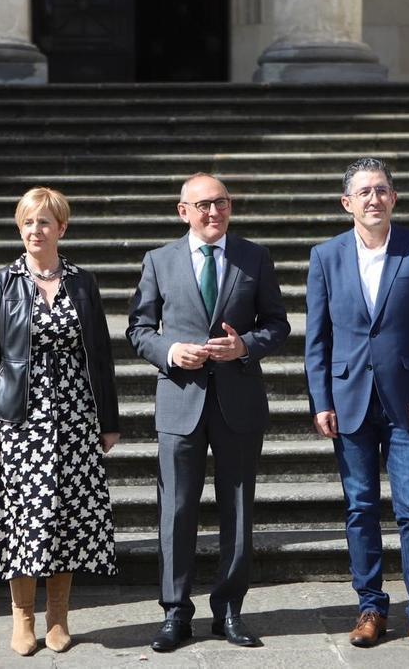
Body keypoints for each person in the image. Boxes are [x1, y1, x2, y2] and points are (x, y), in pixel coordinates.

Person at [126, 173, 290, 652]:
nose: (213, 212)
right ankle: (175, 613)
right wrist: (171, 350)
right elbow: (138, 328)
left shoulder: (254, 257)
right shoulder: (159, 260)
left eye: (220, 203)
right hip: (180, 401)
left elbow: (277, 324)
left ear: (231, 206)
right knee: (176, 510)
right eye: (202, 206)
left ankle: (230, 610)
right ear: (183, 212)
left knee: (237, 509)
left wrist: (245, 346)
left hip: (238, 402)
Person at [304, 158, 409, 662]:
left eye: (382, 190)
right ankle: (371, 608)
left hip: (408, 403)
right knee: (360, 508)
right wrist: (320, 399)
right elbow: (317, 339)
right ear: (347, 203)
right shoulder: (325, 256)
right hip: (349, 402)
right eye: (364, 192)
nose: (373, 199)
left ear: (394, 199)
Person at [0, 187, 120, 657]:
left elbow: (101, 355)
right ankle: (22, 619)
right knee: (22, 519)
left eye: (45, 222)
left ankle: (58, 618)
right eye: (28, 222)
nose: (36, 230)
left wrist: (107, 418)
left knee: (66, 517)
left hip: (75, 416)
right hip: (19, 418)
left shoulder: (82, 282)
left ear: (62, 228)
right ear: (20, 228)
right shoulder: (0, 283)